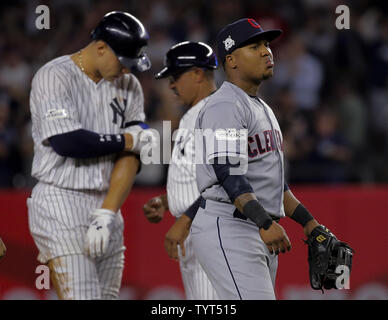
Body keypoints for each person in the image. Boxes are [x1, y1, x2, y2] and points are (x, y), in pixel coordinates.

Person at [191, 18, 325, 299]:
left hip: (253, 223)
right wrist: (264, 223)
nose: (267, 51)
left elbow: (275, 184)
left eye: (266, 44)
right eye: (254, 46)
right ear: (232, 60)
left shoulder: (260, 106)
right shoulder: (227, 104)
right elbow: (229, 173)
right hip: (231, 225)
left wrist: (310, 224)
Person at [27, 11, 155, 300]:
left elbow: (132, 154)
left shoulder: (128, 85)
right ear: (100, 48)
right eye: (123, 63)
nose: (127, 71)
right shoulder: (54, 75)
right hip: (61, 199)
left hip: (108, 204)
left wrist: (108, 212)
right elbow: (67, 142)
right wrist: (126, 139)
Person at [142, 41, 219, 299]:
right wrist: (168, 201)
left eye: (175, 77)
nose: (171, 85)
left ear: (198, 73)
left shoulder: (219, 112)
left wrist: (184, 220)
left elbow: (227, 181)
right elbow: (199, 178)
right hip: (196, 233)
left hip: (215, 234)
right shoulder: (191, 115)